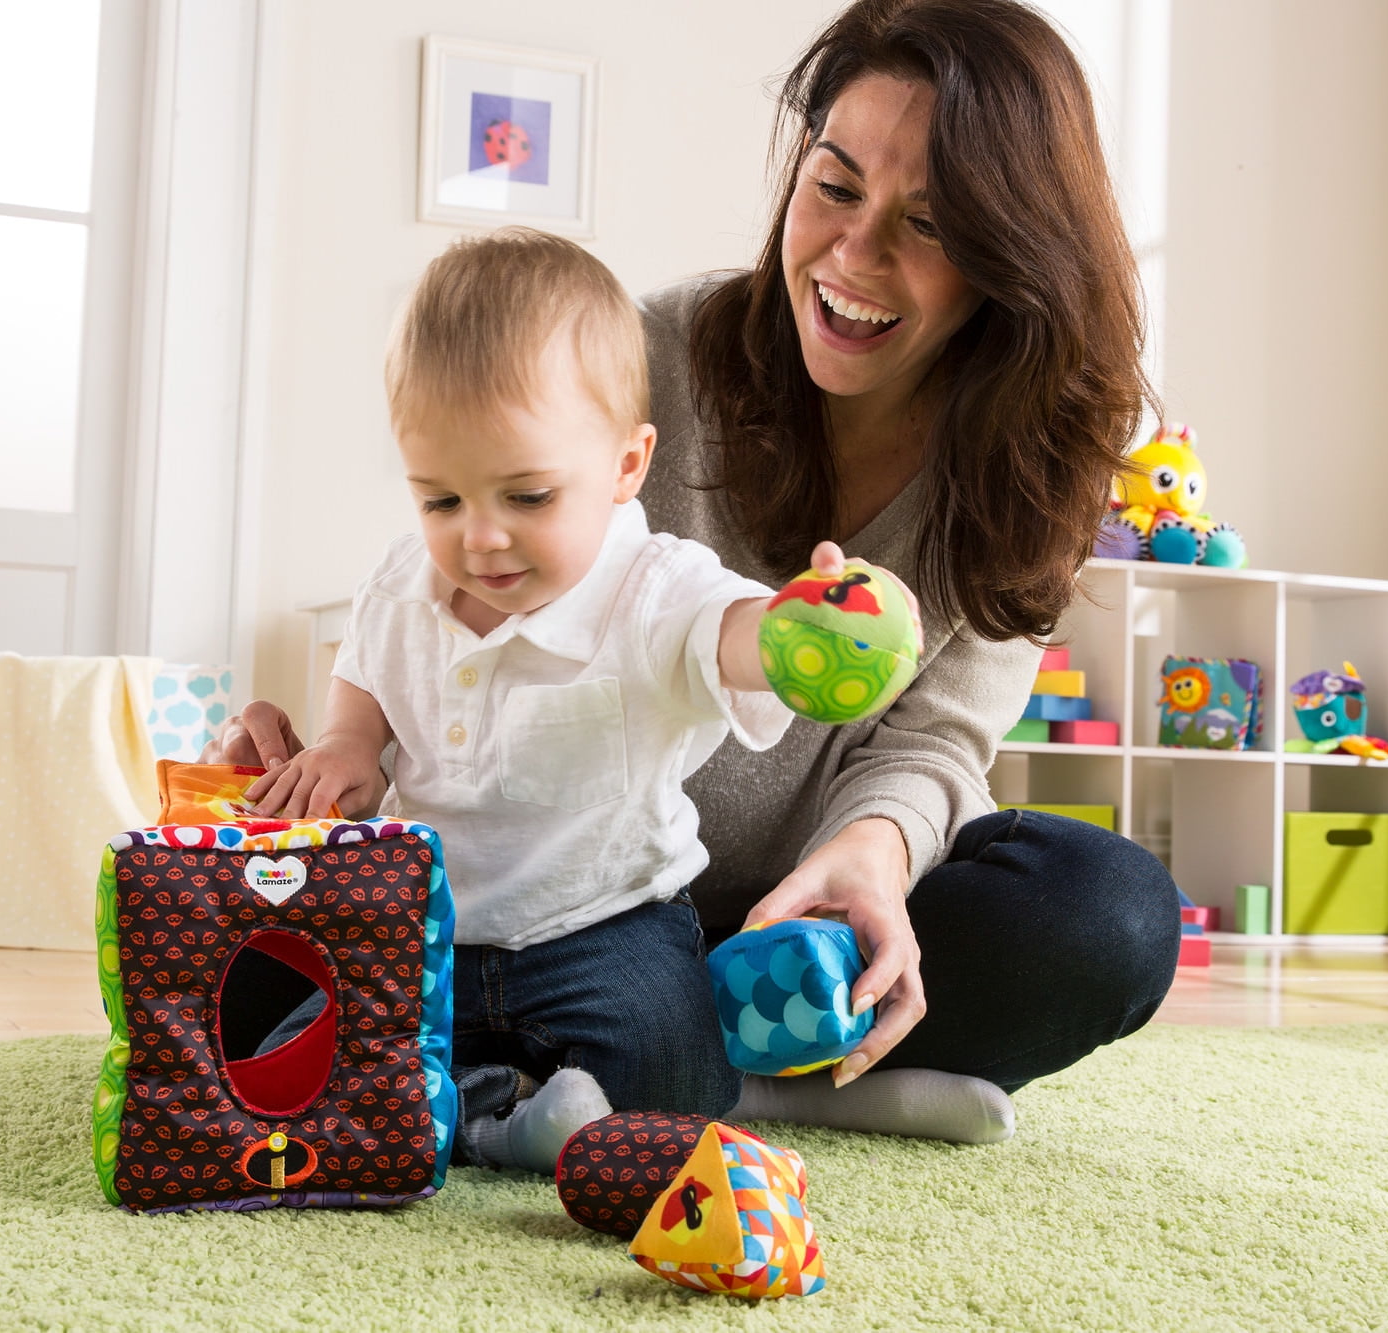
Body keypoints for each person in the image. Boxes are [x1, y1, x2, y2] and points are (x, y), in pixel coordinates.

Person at [217, 0, 1181, 1147]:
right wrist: (345, 764)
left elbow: (934, 744)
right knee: (240, 982)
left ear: (1009, 259)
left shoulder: (1027, 465)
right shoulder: (645, 358)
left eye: (925, 225)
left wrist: (869, 857)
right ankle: (744, 1078)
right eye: (832, 187)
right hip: (551, 893)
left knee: (1107, 912)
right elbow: (451, 600)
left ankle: (667, 1062)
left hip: (784, 917)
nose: (852, 257)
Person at [229, 227, 919, 1173]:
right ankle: (496, 1109)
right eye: (440, 501)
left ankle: (484, 1100)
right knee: (281, 1055)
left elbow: (730, 633)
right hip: (430, 921)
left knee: (681, 1082)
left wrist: (802, 629)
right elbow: (369, 675)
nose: (481, 538)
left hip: (604, 925)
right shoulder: (403, 581)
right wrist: (349, 745)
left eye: (528, 496)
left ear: (627, 466)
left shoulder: (653, 585)